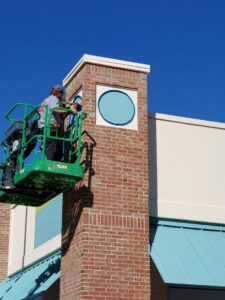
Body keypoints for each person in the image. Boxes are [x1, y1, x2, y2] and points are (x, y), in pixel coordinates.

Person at [38, 84, 75, 161]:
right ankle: (49, 164)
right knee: (52, 148)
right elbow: (56, 109)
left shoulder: (46, 100)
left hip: (42, 127)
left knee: (48, 145)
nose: (61, 96)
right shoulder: (54, 99)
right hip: (49, 127)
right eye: (61, 94)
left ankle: (47, 158)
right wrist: (69, 110)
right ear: (58, 93)